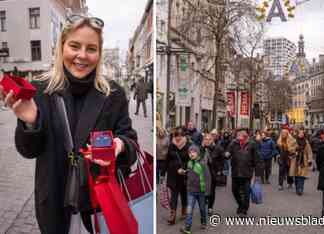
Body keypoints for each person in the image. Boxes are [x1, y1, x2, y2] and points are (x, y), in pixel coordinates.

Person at [0, 15, 138, 234]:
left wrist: (119, 146)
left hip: (100, 204)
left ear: (99, 53)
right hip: (54, 202)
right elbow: (28, 151)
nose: (82, 55)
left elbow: (130, 142)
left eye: (91, 48)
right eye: (74, 46)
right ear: (61, 47)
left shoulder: (113, 94)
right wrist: (30, 123)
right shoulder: (41, 89)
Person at [161, 126, 191, 225]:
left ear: (183, 136)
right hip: (172, 173)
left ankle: (183, 209)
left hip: (184, 173)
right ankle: (172, 214)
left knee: (183, 193)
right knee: (173, 194)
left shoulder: (188, 145)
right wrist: (163, 173)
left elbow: (191, 160)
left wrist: (185, 169)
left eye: (179, 135)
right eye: (176, 135)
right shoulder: (171, 145)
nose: (177, 138)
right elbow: (167, 159)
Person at [227, 128, 260, 216]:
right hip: (235, 172)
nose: (241, 134)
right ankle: (241, 205)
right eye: (239, 133)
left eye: (242, 132)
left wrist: (257, 175)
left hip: (247, 173)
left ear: (246, 134)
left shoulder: (252, 144)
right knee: (234, 191)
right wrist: (226, 154)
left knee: (246, 192)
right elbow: (227, 154)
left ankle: (244, 209)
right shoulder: (234, 143)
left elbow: (257, 160)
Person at [180, 144, 211, 234]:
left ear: (198, 153)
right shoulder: (189, 163)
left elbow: (208, 178)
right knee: (189, 209)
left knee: (202, 208)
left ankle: (203, 221)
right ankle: (188, 227)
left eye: (193, 152)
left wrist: (207, 192)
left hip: (201, 191)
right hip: (191, 191)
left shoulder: (202, 164)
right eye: (190, 152)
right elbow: (189, 174)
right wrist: (184, 172)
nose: (191, 154)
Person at [200, 133, 224, 215]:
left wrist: (220, 169)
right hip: (202, 172)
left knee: (211, 191)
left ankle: (210, 207)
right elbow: (197, 158)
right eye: (205, 139)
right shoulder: (201, 148)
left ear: (212, 140)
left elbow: (222, 159)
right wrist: (202, 148)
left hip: (212, 172)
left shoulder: (217, 148)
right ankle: (205, 201)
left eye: (209, 139)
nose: (207, 141)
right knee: (202, 190)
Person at [289, 129, 313, 195]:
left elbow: (309, 151)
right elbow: (290, 149)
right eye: (300, 133)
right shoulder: (294, 141)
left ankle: (301, 189)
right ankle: (297, 188)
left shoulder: (306, 142)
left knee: (302, 176)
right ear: (298, 134)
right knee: (296, 175)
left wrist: (310, 160)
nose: (301, 134)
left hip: (303, 160)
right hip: (296, 160)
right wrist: (295, 149)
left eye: (302, 133)